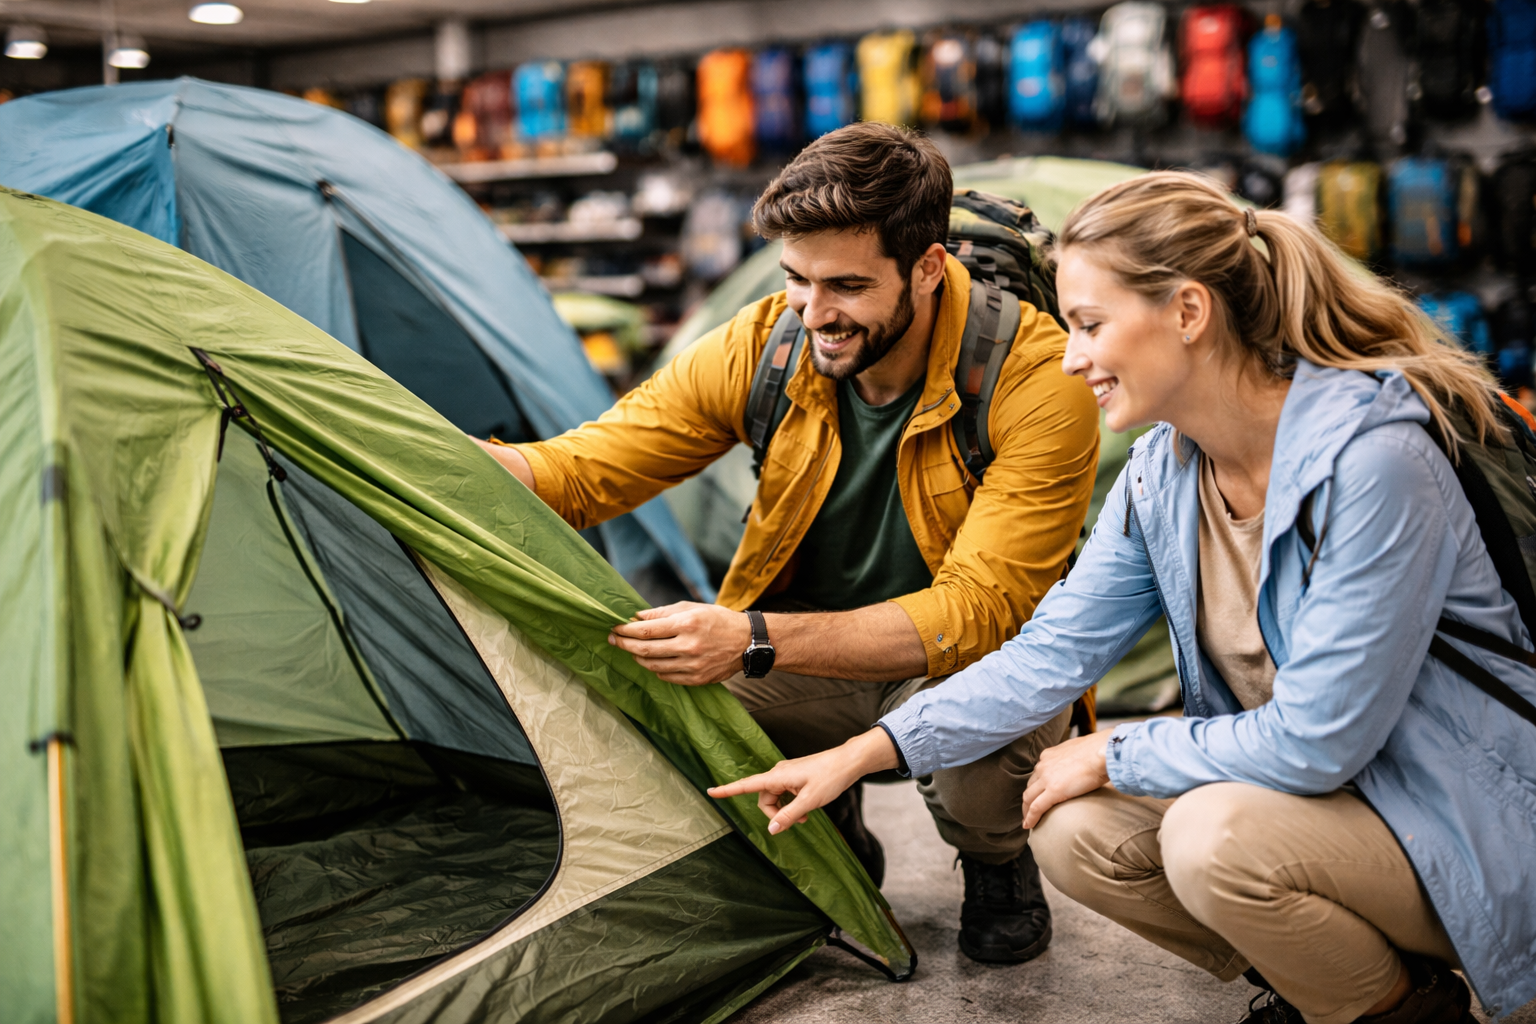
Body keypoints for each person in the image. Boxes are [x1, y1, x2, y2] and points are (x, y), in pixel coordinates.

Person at [708, 172, 1536, 1024]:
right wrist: (861, 753)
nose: (1071, 357)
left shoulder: (1374, 462)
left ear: (1186, 312)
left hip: (1462, 823)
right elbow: (1047, 655)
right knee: (1074, 832)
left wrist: (1116, 752)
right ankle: (1373, 996)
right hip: (1332, 814)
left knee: (1210, 837)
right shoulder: (1164, 475)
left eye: (1091, 326)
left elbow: (1320, 741)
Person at [476, 122, 1100, 964]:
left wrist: (754, 639)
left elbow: (978, 613)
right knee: (652, 711)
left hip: (963, 665)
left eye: (846, 285)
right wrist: (455, 460)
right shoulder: (769, 341)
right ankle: (822, 821)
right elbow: (588, 471)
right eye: (797, 280)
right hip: (809, 661)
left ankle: (995, 863)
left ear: (928, 266)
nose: (816, 313)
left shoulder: (1037, 376)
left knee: (982, 763)